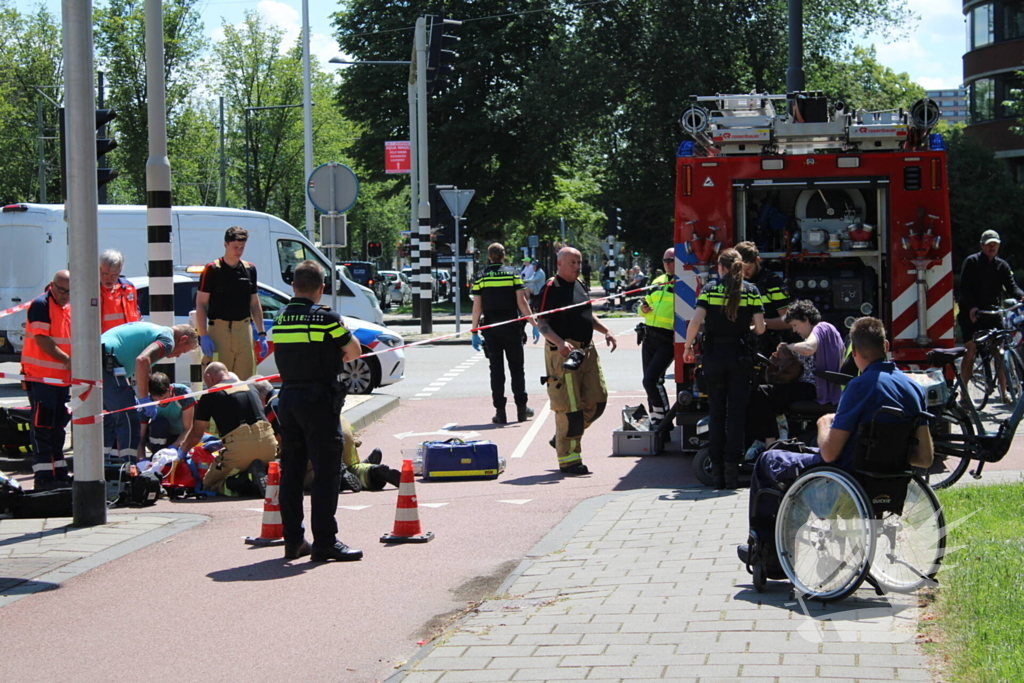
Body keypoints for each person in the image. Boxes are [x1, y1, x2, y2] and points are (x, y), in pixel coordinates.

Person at [739, 316, 932, 564]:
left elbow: (829, 453)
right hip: (891, 484)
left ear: (854, 354)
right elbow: (924, 459)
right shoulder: (914, 388)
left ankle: (769, 556)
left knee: (769, 459)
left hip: (845, 482)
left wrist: (824, 424)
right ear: (885, 347)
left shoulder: (858, 387)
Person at [272, 259, 363, 562]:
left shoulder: (280, 319)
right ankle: (325, 541)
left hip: (287, 400)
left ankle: (294, 540)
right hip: (318, 402)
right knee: (326, 473)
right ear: (321, 288)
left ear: (293, 286)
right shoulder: (326, 319)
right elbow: (354, 351)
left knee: (292, 472)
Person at [682, 249, 766, 489]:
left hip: (714, 358)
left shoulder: (709, 290)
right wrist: (741, 332)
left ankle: (716, 471)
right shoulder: (751, 291)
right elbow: (760, 328)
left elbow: (696, 322)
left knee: (717, 413)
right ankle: (732, 472)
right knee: (737, 415)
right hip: (740, 359)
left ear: (720, 267)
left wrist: (688, 347)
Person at [537, 246, 617, 476]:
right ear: (560, 263)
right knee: (570, 408)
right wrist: (560, 342)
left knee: (598, 401)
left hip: (587, 350)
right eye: (572, 263)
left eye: (579, 262)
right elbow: (541, 322)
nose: (577, 267)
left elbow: (586, 313)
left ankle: (562, 436)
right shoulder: (551, 288)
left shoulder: (580, 284)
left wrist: (606, 330)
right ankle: (569, 460)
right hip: (564, 353)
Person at [256, 381, 401, 492]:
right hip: (341, 430)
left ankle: (340, 476)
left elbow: (285, 440)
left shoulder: (273, 405)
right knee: (351, 467)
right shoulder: (296, 394)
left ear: (260, 398)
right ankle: (371, 470)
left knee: (298, 476)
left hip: (317, 442)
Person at [745, 300, 845, 459]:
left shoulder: (821, 328)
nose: (794, 330)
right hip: (813, 385)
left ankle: (769, 444)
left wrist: (789, 347)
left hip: (815, 387)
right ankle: (774, 435)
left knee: (761, 392)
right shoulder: (826, 331)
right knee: (770, 393)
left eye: (795, 325)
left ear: (805, 318)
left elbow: (809, 349)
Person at [101, 321, 198, 463]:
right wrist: (144, 399)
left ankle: (103, 465)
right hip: (108, 360)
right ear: (182, 339)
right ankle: (129, 468)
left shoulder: (156, 331)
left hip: (99, 358)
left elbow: (132, 368)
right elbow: (142, 360)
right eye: (183, 351)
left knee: (108, 418)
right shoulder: (168, 340)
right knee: (129, 419)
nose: (178, 356)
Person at [174, 362, 277, 496]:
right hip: (269, 448)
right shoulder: (252, 388)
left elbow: (196, 434)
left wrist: (182, 451)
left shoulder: (210, 394)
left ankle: (247, 481)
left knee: (209, 485)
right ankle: (260, 479)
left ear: (210, 378)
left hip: (239, 451)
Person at [471, 243, 537, 424]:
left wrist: (474, 331)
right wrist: (534, 324)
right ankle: (522, 410)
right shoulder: (513, 274)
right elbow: (522, 304)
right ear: (503, 256)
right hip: (512, 328)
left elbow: (477, 307)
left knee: (496, 371)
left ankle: (500, 412)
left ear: (489, 257)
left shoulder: (481, 277)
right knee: (517, 369)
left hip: (491, 330)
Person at [957, 229, 1024, 401]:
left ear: (999, 246)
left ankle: (1004, 392)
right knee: (970, 350)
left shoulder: (1002, 266)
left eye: (995, 244)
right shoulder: (971, 262)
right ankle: (964, 394)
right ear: (982, 245)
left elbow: (1012, 286)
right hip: (971, 314)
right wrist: (971, 307)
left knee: (999, 351)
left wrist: (1021, 296)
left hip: (992, 312)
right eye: (988, 244)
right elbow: (964, 288)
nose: (992, 247)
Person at [195, 226, 267, 380]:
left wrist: (261, 334)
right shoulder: (213, 269)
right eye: (235, 247)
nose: (239, 251)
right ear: (225, 244)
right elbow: (201, 303)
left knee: (245, 381)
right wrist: (204, 335)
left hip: (243, 329)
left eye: (242, 247)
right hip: (219, 330)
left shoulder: (249, 269)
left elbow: (254, 303)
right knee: (219, 381)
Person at [21, 271, 72, 489]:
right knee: (43, 427)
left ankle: (58, 472)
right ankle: (43, 476)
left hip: (61, 379)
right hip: (41, 378)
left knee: (58, 427)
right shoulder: (41, 305)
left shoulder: (68, 306)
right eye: (61, 290)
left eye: (69, 291)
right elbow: (42, 340)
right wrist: (68, 361)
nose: (64, 295)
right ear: (52, 285)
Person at [638, 248, 677, 425]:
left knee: (651, 381)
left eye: (672, 260)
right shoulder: (659, 281)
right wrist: (643, 308)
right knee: (650, 384)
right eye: (665, 260)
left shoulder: (683, 282)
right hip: (648, 336)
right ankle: (658, 422)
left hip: (667, 338)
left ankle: (663, 423)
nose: (668, 264)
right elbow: (646, 304)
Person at [734, 241, 791, 357]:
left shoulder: (773, 282)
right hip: (744, 346)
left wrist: (759, 323)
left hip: (771, 345)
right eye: (741, 269)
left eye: (748, 268)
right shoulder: (736, 283)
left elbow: (788, 321)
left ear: (757, 260)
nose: (744, 273)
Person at [136, 372, 195, 461]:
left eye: (164, 398)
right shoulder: (146, 401)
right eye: (156, 400)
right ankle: (157, 454)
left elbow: (188, 429)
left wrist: (173, 448)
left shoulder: (183, 393)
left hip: (180, 437)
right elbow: (140, 436)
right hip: (157, 437)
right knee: (160, 423)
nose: (161, 403)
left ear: (170, 389)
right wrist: (142, 460)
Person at [99, 249, 141, 333]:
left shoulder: (128, 288)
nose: (109, 279)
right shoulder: (92, 290)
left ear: (120, 271)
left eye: (114, 275)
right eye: (105, 274)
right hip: (102, 340)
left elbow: (137, 314)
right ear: (99, 269)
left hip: (127, 339)